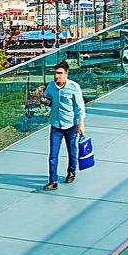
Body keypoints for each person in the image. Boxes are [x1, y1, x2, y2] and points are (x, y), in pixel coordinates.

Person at [41, 60, 85, 191]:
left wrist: (81, 123)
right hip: (55, 124)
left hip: (71, 125)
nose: (57, 76)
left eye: (60, 73)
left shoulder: (74, 87)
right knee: (53, 154)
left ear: (66, 73)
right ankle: (52, 181)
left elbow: (79, 107)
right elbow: (49, 100)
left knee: (72, 151)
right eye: (56, 73)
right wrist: (44, 100)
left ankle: (71, 171)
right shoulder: (51, 86)